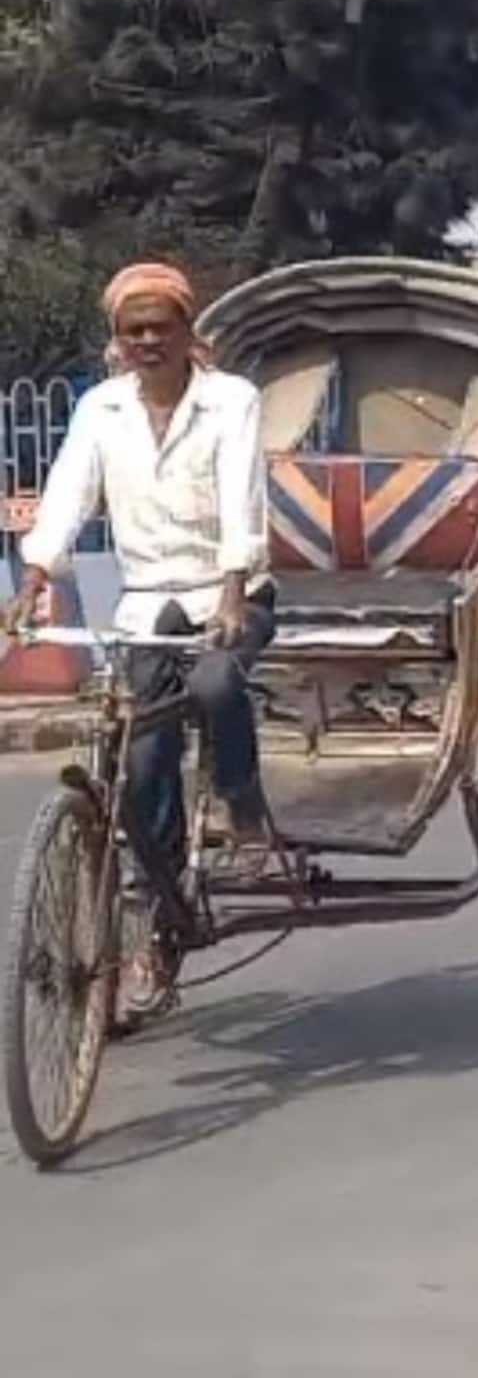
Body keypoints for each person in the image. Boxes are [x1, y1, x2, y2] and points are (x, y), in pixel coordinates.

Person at [1, 262, 272, 1014]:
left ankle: (243, 806)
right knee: (140, 756)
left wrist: (230, 593)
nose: (149, 341)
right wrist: (35, 577)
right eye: (134, 330)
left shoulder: (230, 402)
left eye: (162, 328)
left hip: (230, 589)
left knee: (217, 682)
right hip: (148, 604)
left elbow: (241, 497)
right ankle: (157, 914)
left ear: (190, 333)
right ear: (117, 341)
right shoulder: (102, 408)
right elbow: (66, 493)